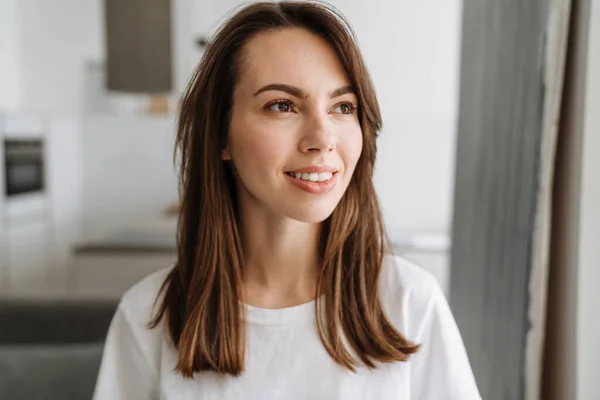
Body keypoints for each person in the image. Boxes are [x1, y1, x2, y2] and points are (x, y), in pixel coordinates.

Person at [92, 2, 481, 399]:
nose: (323, 138)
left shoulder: (409, 303)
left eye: (343, 107)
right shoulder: (147, 318)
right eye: (282, 105)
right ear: (221, 134)